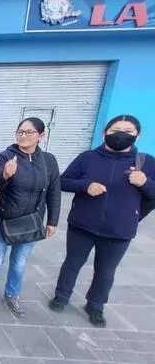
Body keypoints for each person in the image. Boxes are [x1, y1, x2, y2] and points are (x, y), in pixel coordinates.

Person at [49, 115, 155, 327]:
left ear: (137, 135)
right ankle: (61, 296)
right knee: (72, 263)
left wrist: (145, 182)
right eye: (115, 130)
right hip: (82, 224)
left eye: (128, 130)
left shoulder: (146, 162)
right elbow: (63, 181)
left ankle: (95, 305)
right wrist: (85, 185)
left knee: (106, 271)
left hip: (119, 229)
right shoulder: (87, 157)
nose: (121, 134)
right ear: (104, 133)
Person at [0, 117, 61, 316]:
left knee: (19, 262)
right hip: (3, 220)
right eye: (20, 132)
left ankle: (11, 294)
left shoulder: (48, 161)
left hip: (31, 222)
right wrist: (5, 175)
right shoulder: (5, 157)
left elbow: (54, 191)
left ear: (41, 136)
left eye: (29, 132)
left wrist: (53, 220)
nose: (23, 136)